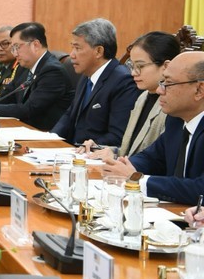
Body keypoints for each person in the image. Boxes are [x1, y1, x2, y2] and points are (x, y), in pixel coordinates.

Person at [102, 51, 204, 205]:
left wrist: (138, 180)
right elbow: (153, 158)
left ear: (199, 90)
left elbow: (200, 189)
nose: (159, 90)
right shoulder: (176, 120)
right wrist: (123, 166)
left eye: (167, 83)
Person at [82, 31, 181, 159]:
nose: (133, 73)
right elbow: (130, 150)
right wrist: (103, 149)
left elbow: (158, 160)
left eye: (140, 66)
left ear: (165, 66)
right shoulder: (142, 97)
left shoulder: (173, 106)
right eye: (132, 66)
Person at [0, 22, 73, 131]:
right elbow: (6, 97)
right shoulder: (24, 67)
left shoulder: (52, 71)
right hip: (23, 129)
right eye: (13, 48)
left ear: (35, 45)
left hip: (45, 136)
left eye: (17, 47)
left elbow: (29, 109)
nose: (15, 53)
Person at [51, 18, 140, 147]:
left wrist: (85, 148)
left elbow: (118, 136)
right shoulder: (87, 75)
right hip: (72, 152)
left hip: (93, 157)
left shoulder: (123, 81)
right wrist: (51, 139)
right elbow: (70, 115)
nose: (72, 55)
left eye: (77, 48)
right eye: (72, 48)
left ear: (98, 51)